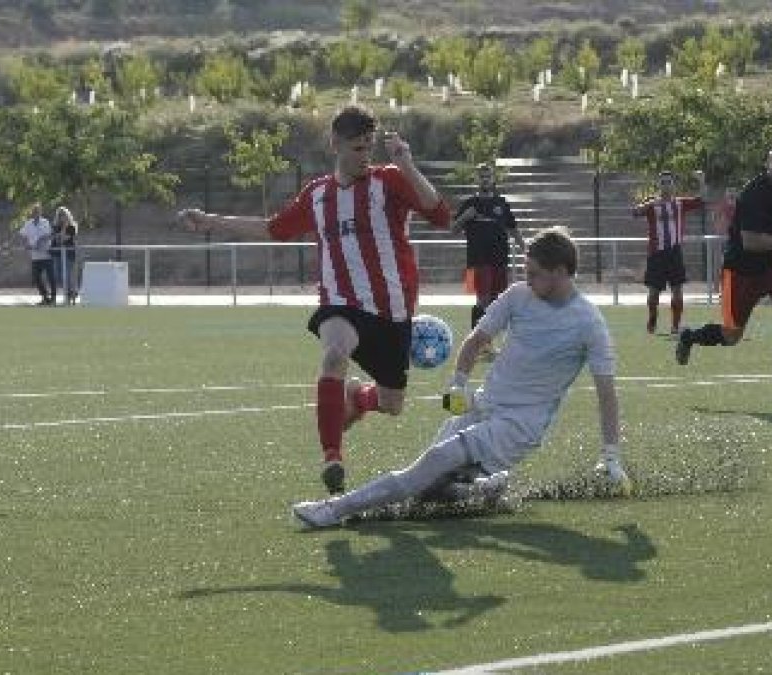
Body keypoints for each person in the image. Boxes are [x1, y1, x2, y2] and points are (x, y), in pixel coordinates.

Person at [177, 105, 451, 494]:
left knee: (392, 404)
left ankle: (358, 397)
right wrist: (211, 221)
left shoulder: (388, 181)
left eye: (369, 147)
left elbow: (440, 215)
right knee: (334, 355)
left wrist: (407, 166)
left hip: (393, 310)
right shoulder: (319, 194)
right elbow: (274, 228)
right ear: (334, 144)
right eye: (357, 148)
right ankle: (332, 458)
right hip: (341, 302)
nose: (365, 156)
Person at [291, 226, 630, 529]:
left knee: (433, 462)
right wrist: (458, 384)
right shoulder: (518, 296)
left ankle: (333, 510)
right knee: (428, 490)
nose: (527, 279)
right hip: (482, 404)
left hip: (519, 425)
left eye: (534, 273)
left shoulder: (588, 323)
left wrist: (611, 455)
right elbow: (476, 341)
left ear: (559, 272)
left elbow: (606, 393)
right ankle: (480, 490)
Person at [675, 139, 772, 408]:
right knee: (730, 336)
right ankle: (690, 336)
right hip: (740, 271)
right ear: (767, 164)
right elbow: (750, 242)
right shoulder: (753, 194)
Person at [452, 162, 526, 354]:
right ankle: (476, 346)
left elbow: (513, 229)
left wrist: (526, 250)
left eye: (488, 176)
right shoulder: (469, 204)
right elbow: (453, 230)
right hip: (476, 260)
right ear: (477, 179)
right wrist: (465, 217)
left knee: (497, 302)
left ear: (493, 179)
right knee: (482, 301)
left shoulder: (502, 203)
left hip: (500, 260)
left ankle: (488, 344)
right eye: (481, 176)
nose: (485, 179)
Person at [631, 170, 705, 336]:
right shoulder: (652, 203)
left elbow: (701, 200)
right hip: (656, 253)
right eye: (662, 182)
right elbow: (635, 212)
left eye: (668, 182)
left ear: (673, 185)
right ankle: (652, 318)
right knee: (653, 294)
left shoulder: (680, 203)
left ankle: (675, 326)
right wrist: (649, 204)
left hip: (674, 252)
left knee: (677, 290)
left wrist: (701, 181)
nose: (665, 185)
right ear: (658, 185)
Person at [5, 202, 56, 306]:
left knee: (51, 277)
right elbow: (19, 235)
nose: (35, 213)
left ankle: (53, 298)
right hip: (35, 257)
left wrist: (37, 242)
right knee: (36, 278)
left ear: (41, 212)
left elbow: (47, 236)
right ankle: (45, 297)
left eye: (37, 211)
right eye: (33, 211)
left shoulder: (45, 222)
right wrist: (8, 243)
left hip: (47, 255)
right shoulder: (28, 223)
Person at [51, 206, 79, 305]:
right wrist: (60, 233)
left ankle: (69, 295)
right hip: (57, 254)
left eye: (63, 215)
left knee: (67, 275)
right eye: (59, 215)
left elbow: (63, 240)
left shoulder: (72, 227)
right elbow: (57, 241)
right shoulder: (55, 227)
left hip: (68, 254)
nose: (61, 217)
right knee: (57, 275)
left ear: (67, 216)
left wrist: (64, 229)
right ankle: (71, 292)